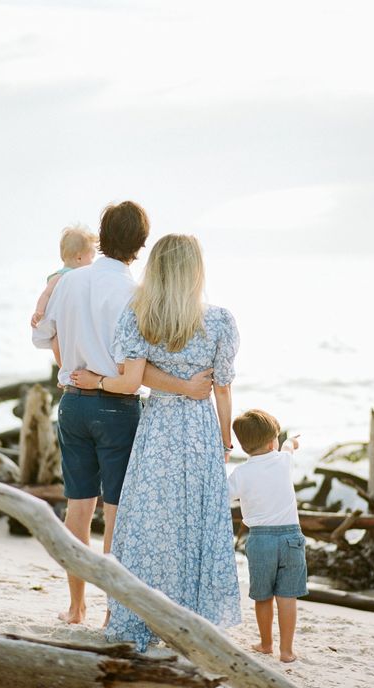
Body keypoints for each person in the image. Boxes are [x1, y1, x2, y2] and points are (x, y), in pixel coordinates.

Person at [32, 205, 214, 625]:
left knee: (77, 507)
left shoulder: (69, 280)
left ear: (101, 235)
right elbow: (138, 370)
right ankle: (112, 609)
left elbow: (42, 335)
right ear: (140, 246)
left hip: (72, 403)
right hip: (117, 408)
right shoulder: (137, 294)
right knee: (115, 511)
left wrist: (70, 362)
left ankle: (76, 605)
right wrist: (186, 386)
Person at [71, 233, 241, 651]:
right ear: (195, 270)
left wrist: (97, 381)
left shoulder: (141, 316)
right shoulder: (219, 320)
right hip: (199, 432)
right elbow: (222, 389)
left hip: (158, 429)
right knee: (196, 526)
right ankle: (192, 624)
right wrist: (223, 442)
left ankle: (142, 614)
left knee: (149, 525)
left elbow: (134, 379)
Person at [228, 409, 308, 663]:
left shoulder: (240, 473)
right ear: (273, 442)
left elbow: (221, 497)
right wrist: (291, 441)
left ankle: (265, 644)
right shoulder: (284, 461)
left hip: (260, 541)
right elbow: (289, 448)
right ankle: (287, 651)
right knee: (287, 596)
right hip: (291, 538)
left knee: (263, 596)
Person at [31, 225, 97, 366]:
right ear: (79, 258)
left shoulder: (79, 277)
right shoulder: (60, 277)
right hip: (63, 322)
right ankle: (64, 371)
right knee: (57, 343)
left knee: (65, 345)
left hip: (71, 321)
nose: (92, 262)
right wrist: (39, 311)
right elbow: (45, 295)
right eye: (91, 258)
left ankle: (67, 371)